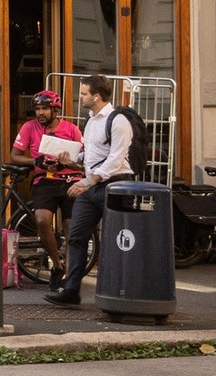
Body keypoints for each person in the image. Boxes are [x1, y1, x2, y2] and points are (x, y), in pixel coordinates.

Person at [46, 74, 136, 306]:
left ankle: (122, 289)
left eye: (84, 93)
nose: (80, 97)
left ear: (96, 96)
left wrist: (86, 182)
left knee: (117, 239)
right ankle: (71, 290)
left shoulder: (118, 121)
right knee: (76, 237)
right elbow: (93, 157)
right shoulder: (91, 120)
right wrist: (70, 159)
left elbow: (115, 161)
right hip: (91, 186)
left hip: (114, 185)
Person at [11, 88, 84, 289]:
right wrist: (36, 161)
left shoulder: (72, 130)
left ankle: (70, 277)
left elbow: (84, 161)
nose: (40, 113)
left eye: (45, 109)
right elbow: (14, 155)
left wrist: (68, 163)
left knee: (71, 228)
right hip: (44, 179)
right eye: (37, 109)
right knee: (42, 220)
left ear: (55, 110)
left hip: (70, 179)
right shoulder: (29, 127)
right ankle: (57, 266)